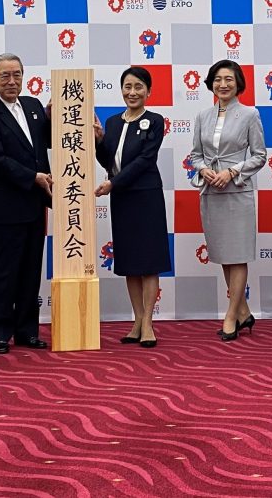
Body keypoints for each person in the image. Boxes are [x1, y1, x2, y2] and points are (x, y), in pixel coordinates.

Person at [0, 53, 52, 354]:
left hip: (34, 205)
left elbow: (48, 140)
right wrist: (33, 176)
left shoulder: (33, 107)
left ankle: (27, 331)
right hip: (4, 206)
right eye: (4, 75)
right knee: (2, 272)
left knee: (31, 271)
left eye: (17, 74)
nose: (12, 81)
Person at [94, 66, 171, 348]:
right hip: (122, 199)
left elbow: (144, 161)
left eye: (138, 86)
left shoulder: (155, 120)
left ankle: (149, 322)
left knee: (148, 262)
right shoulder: (113, 122)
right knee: (129, 262)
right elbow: (108, 161)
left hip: (145, 195)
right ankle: (137, 320)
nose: (132, 92)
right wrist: (98, 140)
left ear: (148, 91)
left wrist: (113, 184)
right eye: (127, 86)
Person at [189, 60, 267, 341]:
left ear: (238, 84)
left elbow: (260, 155)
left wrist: (233, 171)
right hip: (211, 191)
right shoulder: (202, 116)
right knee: (223, 255)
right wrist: (205, 170)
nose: (223, 84)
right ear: (211, 83)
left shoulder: (249, 114)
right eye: (218, 79)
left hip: (237, 190)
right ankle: (244, 312)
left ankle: (231, 315)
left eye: (229, 80)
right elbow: (195, 155)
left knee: (239, 255)